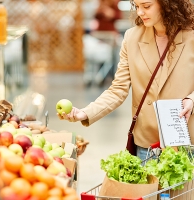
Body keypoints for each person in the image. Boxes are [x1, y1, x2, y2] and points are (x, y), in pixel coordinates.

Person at [58, 0, 194, 161]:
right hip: (147, 145)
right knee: (146, 187)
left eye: (146, 6)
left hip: (186, 141)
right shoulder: (132, 38)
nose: (140, 12)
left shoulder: (190, 36)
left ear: (167, 4)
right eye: (137, 6)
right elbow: (118, 90)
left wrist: (192, 99)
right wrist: (85, 112)